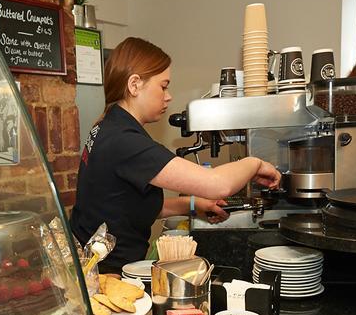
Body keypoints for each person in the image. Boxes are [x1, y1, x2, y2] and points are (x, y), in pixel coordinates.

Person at [70, 37, 281, 270]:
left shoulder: (110, 126)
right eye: (163, 86)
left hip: (101, 267)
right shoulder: (124, 140)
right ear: (134, 85)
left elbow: (132, 207)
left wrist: (194, 204)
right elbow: (218, 184)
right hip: (110, 275)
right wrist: (256, 163)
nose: (168, 96)